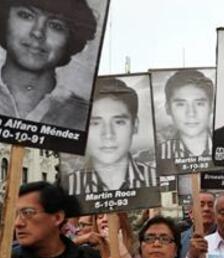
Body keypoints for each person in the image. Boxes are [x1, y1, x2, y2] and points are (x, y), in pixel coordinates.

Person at [0, 0, 97, 130]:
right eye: (26, 16)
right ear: (4, 19)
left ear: (71, 39)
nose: (37, 33)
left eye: (55, 26)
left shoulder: (86, 117)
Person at [65, 77, 157, 194]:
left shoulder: (155, 179)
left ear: (135, 125)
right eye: (95, 123)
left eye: (119, 122)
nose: (108, 134)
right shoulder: (69, 187)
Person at [158, 69, 213, 170]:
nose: (191, 113)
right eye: (181, 104)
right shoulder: (158, 157)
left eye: (199, 103)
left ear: (211, 107)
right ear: (168, 109)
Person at [178, 190, 217, 258]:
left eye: (211, 205)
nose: (206, 209)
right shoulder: (180, 241)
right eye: (201, 205)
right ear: (191, 213)